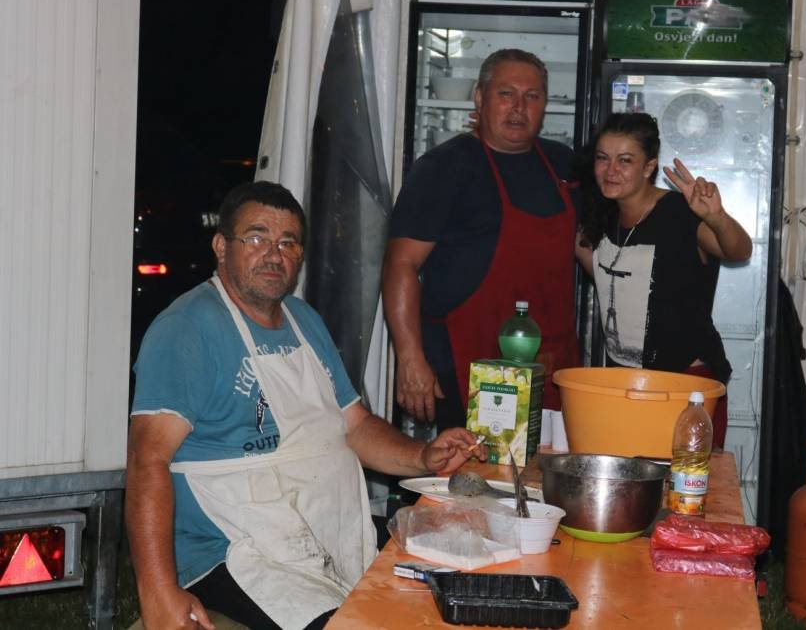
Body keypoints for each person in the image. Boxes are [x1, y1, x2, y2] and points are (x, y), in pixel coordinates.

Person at [126, 182, 484, 630]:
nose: (273, 254)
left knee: (453, 577)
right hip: (236, 548)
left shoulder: (304, 320)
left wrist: (423, 457)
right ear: (221, 246)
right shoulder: (187, 329)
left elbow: (355, 427)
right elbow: (147, 460)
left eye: (288, 243)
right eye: (256, 238)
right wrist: (158, 592)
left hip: (321, 529)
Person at [383, 48, 581, 431]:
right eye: (506, 94)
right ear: (479, 97)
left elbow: (592, 249)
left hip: (551, 360)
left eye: (532, 96)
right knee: (475, 464)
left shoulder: (564, 165)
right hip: (467, 360)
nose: (519, 107)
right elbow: (400, 264)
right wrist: (409, 358)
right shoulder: (444, 167)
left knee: (546, 463)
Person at [576, 113, 752, 449]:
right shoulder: (600, 216)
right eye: (603, 158)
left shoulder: (679, 212)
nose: (611, 170)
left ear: (649, 166)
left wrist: (717, 217)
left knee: (685, 480)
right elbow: (604, 279)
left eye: (625, 160)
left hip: (686, 383)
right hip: (624, 380)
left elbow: (739, 250)